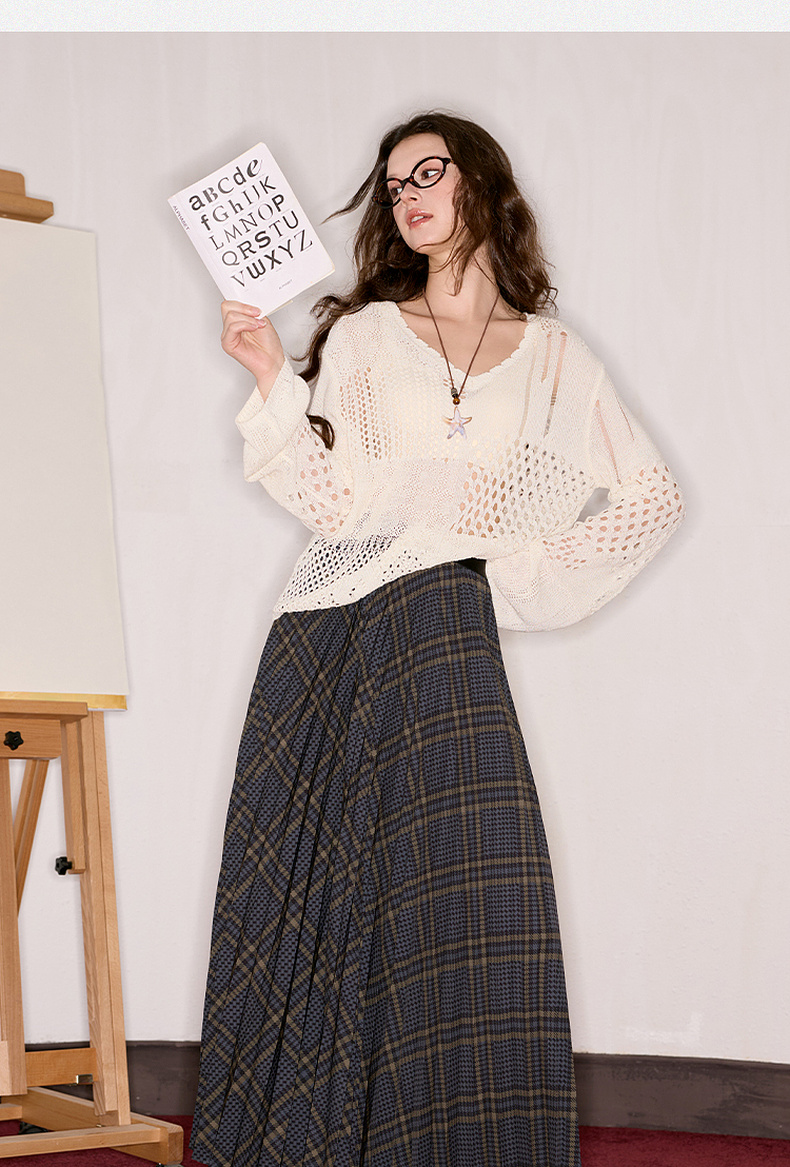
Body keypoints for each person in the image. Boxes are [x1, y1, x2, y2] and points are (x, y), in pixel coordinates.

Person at [190, 111, 684, 1167]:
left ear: (481, 184)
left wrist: (508, 580)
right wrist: (271, 378)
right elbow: (336, 505)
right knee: (324, 903)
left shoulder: (557, 362)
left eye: (428, 172)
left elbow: (650, 497)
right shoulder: (368, 337)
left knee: (474, 901)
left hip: (447, 624)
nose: (407, 194)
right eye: (393, 184)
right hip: (334, 632)